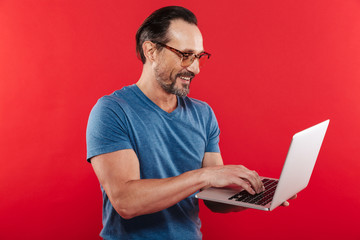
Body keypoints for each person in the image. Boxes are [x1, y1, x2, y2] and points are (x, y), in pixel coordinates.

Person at [86, 6, 295, 240]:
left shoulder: (203, 114)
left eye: (198, 57)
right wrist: (203, 176)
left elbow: (214, 198)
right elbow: (126, 202)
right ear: (151, 51)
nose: (194, 68)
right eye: (185, 55)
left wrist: (255, 196)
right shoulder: (112, 110)